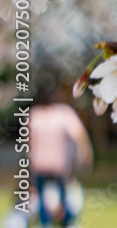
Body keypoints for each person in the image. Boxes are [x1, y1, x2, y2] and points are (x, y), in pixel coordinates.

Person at [29, 88, 93, 228]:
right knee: (64, 197)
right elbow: (79, 134)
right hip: (58, 164)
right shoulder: (63, 113)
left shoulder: (35, 115)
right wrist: (86, 153)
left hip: (40, 164)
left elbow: (30, 142)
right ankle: (67, 222)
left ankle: (46, 223)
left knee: (42, 198)